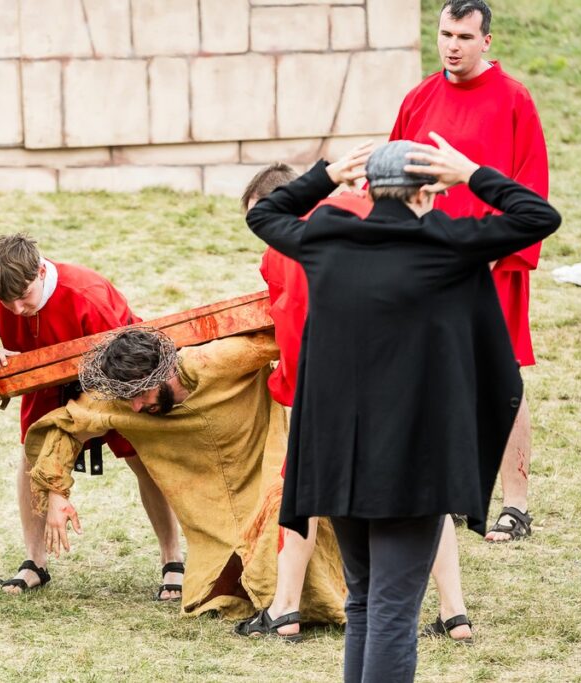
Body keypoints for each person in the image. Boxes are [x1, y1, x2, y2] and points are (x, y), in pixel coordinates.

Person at [247, 136, 560, 682]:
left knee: (365, 603)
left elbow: (268, 211)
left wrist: (327, 174)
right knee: (391, 610)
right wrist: (471, 171)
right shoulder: (446, 242)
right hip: (410, 463)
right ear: (429, 193)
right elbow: (538, 215)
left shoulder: (326, 237)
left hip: (336, 457)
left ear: (366, 189)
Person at [25, 328, 347, 625]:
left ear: (164, 371)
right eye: (129, 397)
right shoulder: (124, 401)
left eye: (141, 393)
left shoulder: (217, 361)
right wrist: (56, 492)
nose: (136, 406)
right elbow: (67, 425)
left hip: (266, 489)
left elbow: (292, 337)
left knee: (304, 584)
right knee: (209, 600)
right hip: (214, 530)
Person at [0, 233, 184, 599]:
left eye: (23, 297)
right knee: (32, 460)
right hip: (47, 384)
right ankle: (34, 562)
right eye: (6, 303)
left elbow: (127, 353)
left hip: (114, 383)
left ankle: (172, 561)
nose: (17, 310)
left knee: (144, 462)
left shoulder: (88, 294)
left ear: (40, 272)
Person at [390, 0, 549, 544]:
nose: (451, 45)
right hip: (426, 268)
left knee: (500, 382)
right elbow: (394, 181)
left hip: (492, 267)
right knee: (433, 377)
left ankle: (515, 505)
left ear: (486, 42)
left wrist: (499, 255)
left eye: (463, 35)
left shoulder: (514, 100)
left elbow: (533, 192)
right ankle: (452, 492)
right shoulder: (418, 98)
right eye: (444, 33)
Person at [235, 163, 371, 641]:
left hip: (327, 388)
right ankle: (455, 612)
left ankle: (286, 607)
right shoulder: (359, 213)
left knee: (302, 494)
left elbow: (293, 324)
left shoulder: (284, 249)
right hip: (390, 379)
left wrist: (284, 386)